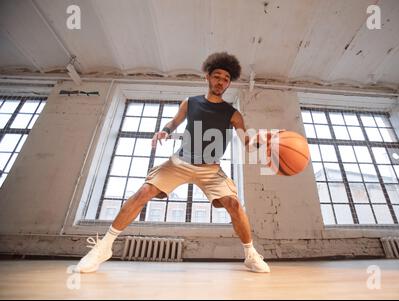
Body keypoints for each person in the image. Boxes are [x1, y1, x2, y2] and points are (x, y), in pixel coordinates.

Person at [77, 52, 270, 273]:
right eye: (217, 76)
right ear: (207, 77)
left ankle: (251, 255)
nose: (221, 81)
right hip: (180, 162)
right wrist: (164, 131)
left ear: (229, 83)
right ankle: (104, 248)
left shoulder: (233, 113)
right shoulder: (190, 102)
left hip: (210, 168)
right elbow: (174, 121)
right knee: (143, 192)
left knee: (234, 205)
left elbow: (245, 139)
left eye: (226, 79)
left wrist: (259, 142)